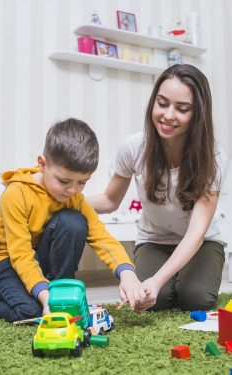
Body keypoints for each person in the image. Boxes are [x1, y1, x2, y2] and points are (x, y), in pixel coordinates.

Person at [88, 64, 228, 313]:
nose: (168, 115)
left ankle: (181, 279)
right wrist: (66, 199)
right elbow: (110, 200)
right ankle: (170, 280)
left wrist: (157, 279)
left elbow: (196, 233)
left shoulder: (213, 157)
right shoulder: (133, 147)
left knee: (195, 298)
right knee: (156, 300)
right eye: (162, 103)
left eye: (182, 109)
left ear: (197, 114)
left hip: (203, 242)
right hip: (154, 241)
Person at [0, 118, 147, 322]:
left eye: (82, 183)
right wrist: (44, 297)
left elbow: (101, 237)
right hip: (7, 262)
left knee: (74, 221)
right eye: (64, 181)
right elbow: (21, 254)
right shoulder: (16, 194)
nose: (73, 190)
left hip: (38, 258)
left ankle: (61, 292)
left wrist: (127, 273)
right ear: (42, 164)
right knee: (31, 311)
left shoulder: (74, 199)